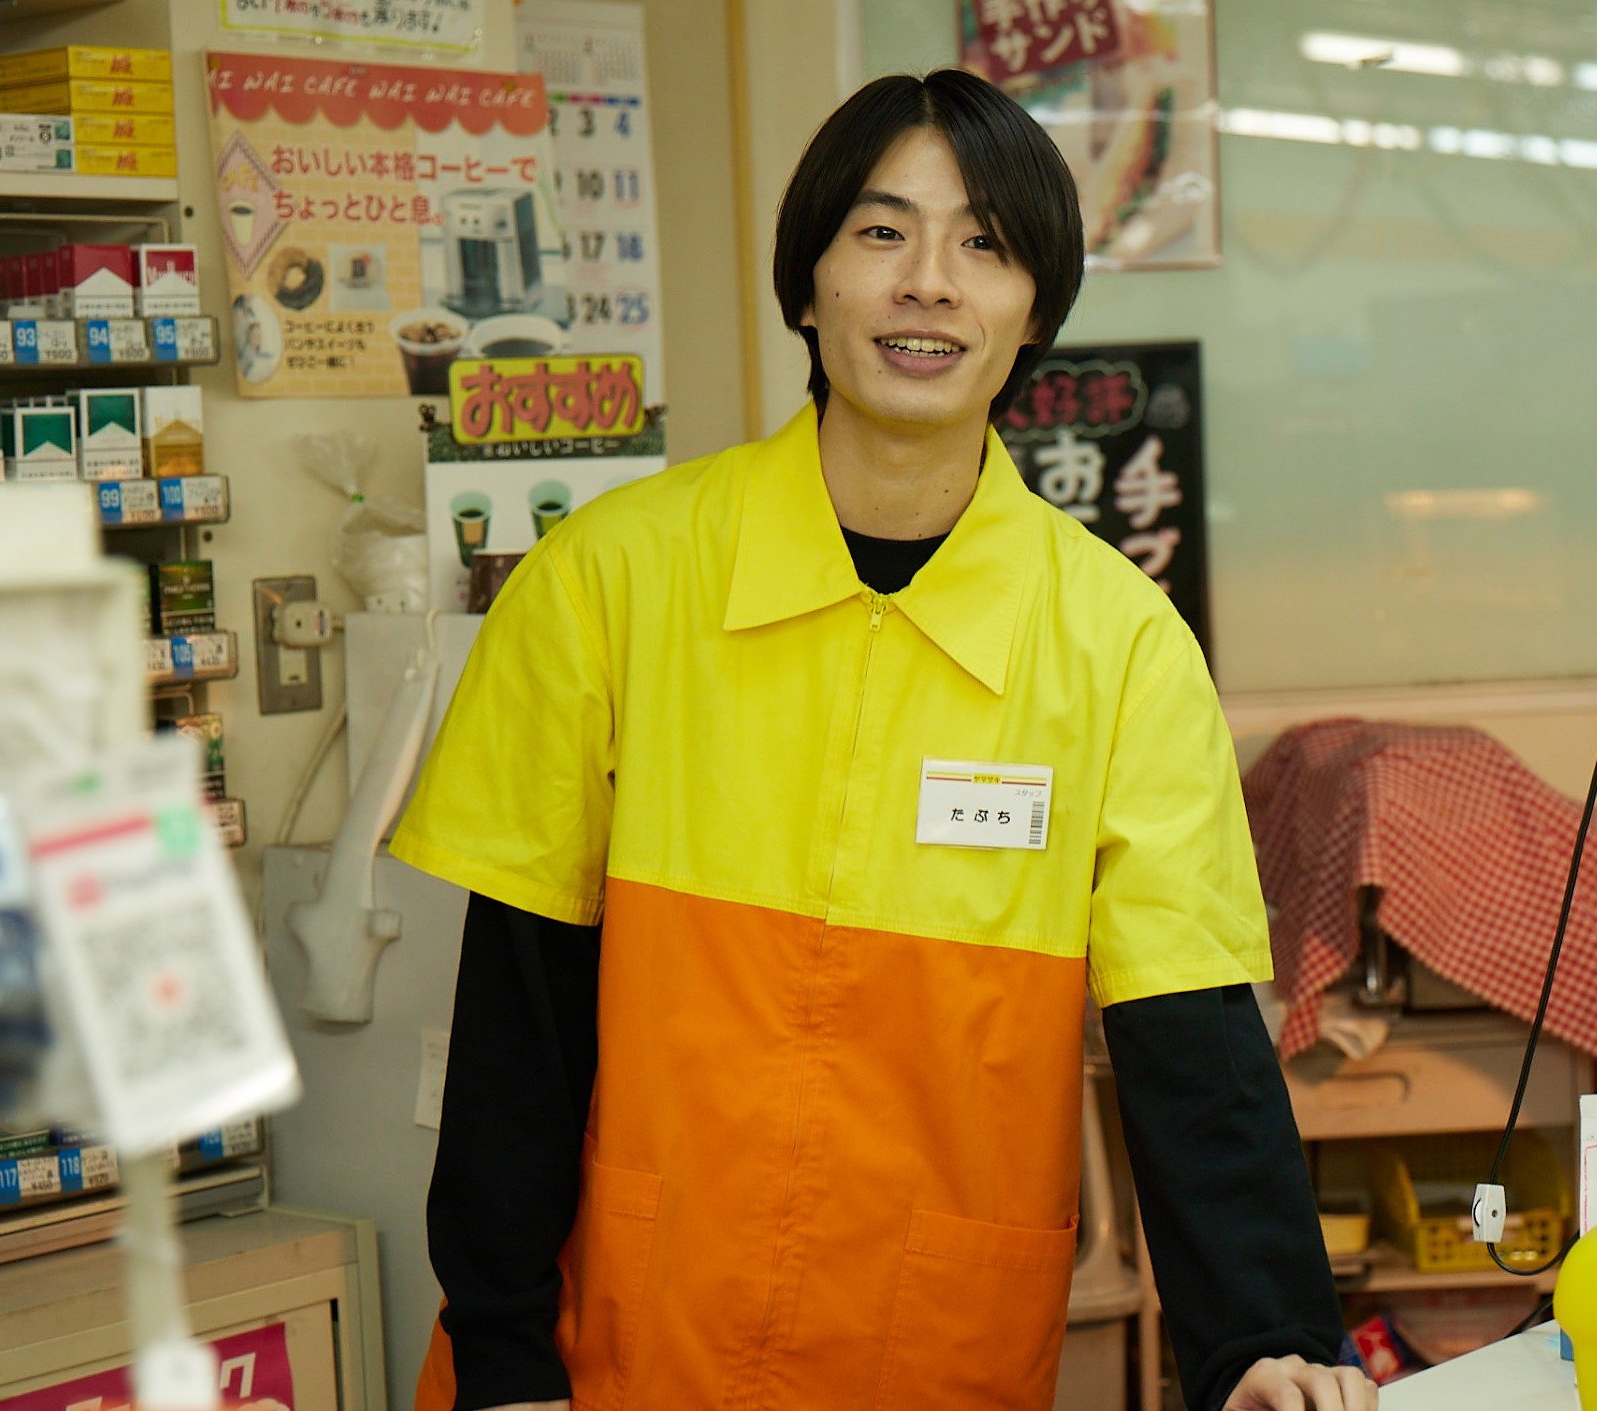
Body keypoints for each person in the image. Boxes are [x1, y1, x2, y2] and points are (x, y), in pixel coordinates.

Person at [395, 68, 1367, 1411]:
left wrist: (1264, 1339)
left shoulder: (1120, 647)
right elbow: (520, 1008)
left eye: (985, 245)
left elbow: (1192, 1036)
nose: (928, 284)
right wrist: (505, 1354)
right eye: (881, 231)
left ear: (1035, 312)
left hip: (936, 1349)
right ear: (809, 283)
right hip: (621, 1345)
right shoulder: (609, 581)